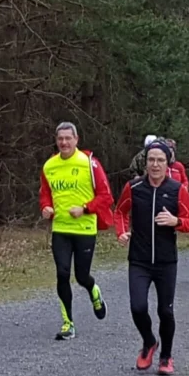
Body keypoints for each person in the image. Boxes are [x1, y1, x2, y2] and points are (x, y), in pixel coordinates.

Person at [115, 139, 189, 376]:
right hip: (139, 260)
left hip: (166, 261)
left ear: (168, 164)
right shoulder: (134, 187)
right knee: (138, 307)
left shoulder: (177, 189)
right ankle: (150, 341)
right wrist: (122, 232)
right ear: (145, 162)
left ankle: (166, 357)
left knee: (166, 311)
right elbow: (120, 212)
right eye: (151, 160)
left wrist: (176, 221)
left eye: (160, 160)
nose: (155, 164)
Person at [40, 121, 114, 340]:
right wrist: (45, 207)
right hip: (60, 229)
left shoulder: (89, 163)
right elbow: (45, 193)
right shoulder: (49, 166)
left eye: (68, 138)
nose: (64, 142)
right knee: (62, 274)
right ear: (56, 141)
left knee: (82, 276)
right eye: (60, 139)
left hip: (84, 229)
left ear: (76, 140)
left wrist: (85, 208)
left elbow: (106, 196)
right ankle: (68, 323)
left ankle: (94, 291)